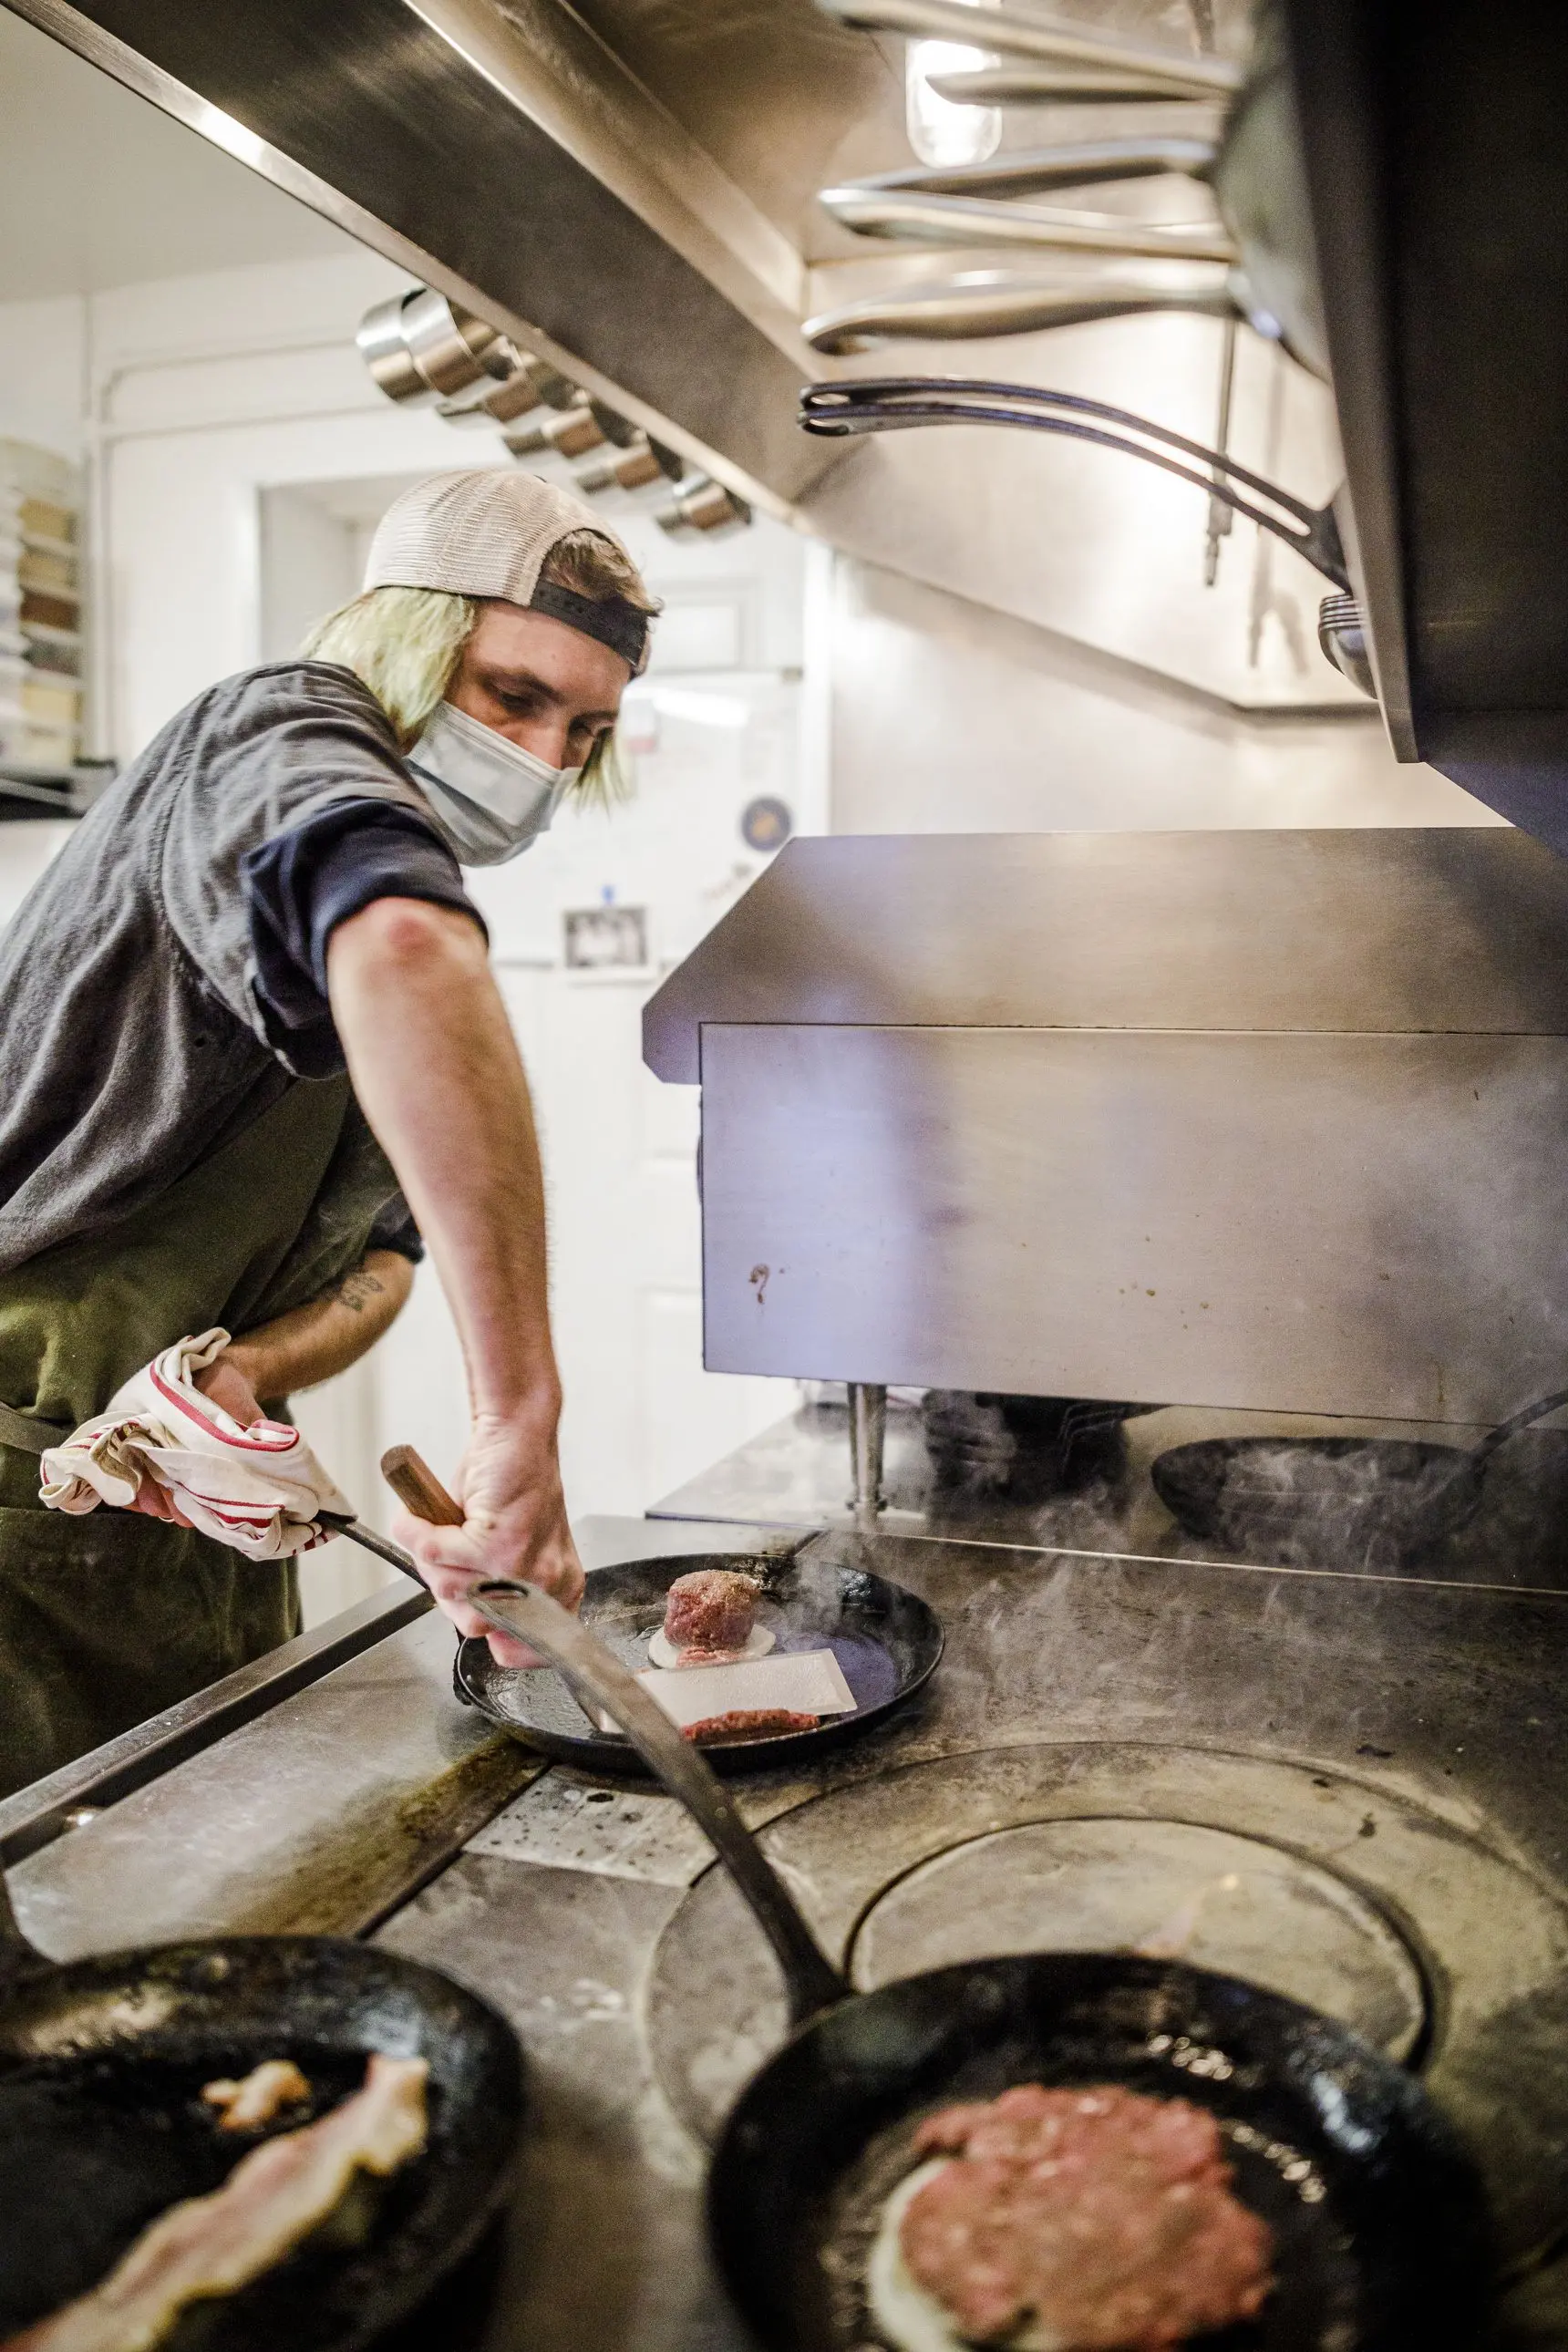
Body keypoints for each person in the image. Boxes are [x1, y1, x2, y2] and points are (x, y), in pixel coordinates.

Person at [0, 469, 658, 1797]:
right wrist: (520, 1420)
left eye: (584, 729)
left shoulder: (362, 942)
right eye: (511, 696)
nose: (542, 759)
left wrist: (243, 1368)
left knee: (210, 1880)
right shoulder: (272, 730)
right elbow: (410, 943)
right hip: (25, 1500)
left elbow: (386, 1261)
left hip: (188, 1524)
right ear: (403, 647)